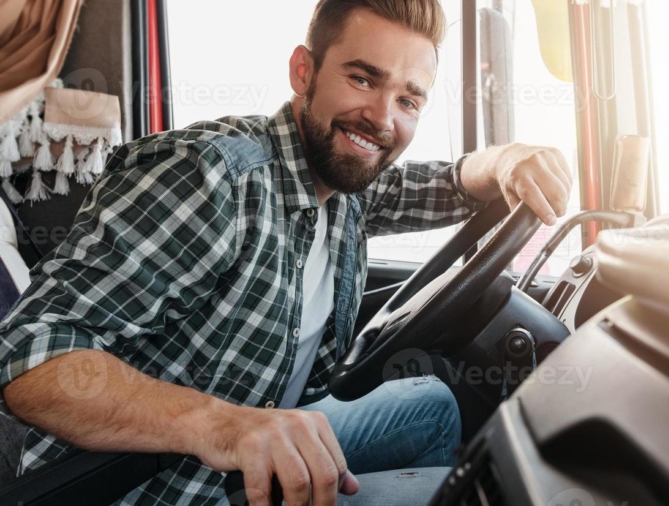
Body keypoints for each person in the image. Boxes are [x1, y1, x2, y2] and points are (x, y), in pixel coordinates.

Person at [0, 0, 571, 505]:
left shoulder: (345, 182)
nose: (382, 117)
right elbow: (26, 350)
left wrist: (506, 161)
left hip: (248, 441)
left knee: (435, 402)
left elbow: (447, 183)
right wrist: (224, 426)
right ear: (304, 71)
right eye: (363, 79)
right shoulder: (211, 178)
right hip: (163, 485)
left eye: (409, 99)